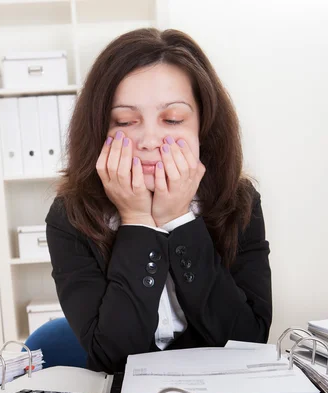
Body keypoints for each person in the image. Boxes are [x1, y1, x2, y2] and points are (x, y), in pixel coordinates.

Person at [46, 28, 272, 374]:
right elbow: (113, 357)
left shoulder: (239, 202)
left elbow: (247, 344)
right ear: (99, 130)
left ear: (203, 127)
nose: (149, 140)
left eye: (172, 119)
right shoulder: (70, 216)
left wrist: (179, 220)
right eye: (124, 121)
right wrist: (137, 220)